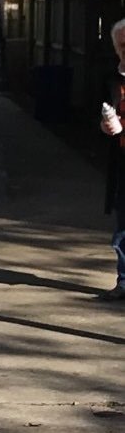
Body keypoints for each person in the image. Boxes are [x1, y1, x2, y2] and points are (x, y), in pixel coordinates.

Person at [99, 17, 125, 301]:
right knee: (123, 226)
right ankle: (124, 281)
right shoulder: (111, 79)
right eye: (121, 45)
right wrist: (104, 126)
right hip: (121, 164)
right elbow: (100, 114)